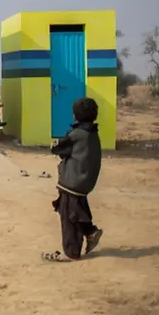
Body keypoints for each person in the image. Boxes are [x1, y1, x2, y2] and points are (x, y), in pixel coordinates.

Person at [42, 97, 104, 262]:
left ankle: (70, 252)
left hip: (73, 181)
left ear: (75, 115)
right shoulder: (92, 133)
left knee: (69, 216)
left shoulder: (77, 134)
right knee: (76, 210)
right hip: (85, 181)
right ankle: (90, 232)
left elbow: (58, 148)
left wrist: (54, 145)